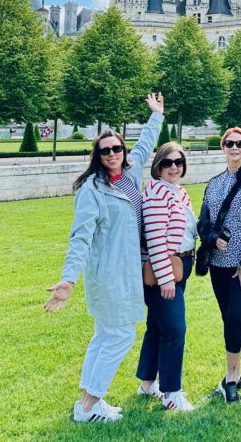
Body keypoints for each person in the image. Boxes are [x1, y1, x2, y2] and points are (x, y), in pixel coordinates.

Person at [44, 93, 164, 423]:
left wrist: (156, 115)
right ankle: (88, 406)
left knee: (105, 335)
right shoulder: (92, 189)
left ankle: (88, 401)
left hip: (127, 268)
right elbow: (79, 237)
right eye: (105, 150)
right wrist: (68, 279)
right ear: (97, 155)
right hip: (109, 273)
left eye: (116, 148)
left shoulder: (131, 170)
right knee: (121, 335)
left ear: (123, 151)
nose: (112, 154)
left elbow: (147, 142)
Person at [201, 127, 241, 404]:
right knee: (227, 316)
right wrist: (212, 239)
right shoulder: (213, 183)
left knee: (236, 314)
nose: (235, 147)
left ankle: (230, 376)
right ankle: (236, 374)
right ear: (223, 147)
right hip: (218, 261)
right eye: (230, 143)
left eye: (240, 143)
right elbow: (203, 222)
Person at [135, 141, 195, 412]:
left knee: (158, 327)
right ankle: (171, 392)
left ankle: (147, 384)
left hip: (180, 265)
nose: (174, 167)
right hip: (164, 270)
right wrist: (166, 278)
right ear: (158, 166)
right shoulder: (158, 192)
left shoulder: (178, 191)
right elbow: (156, 240)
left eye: (178, 162)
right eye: (168, 162)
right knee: (174, 329)